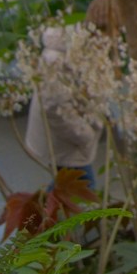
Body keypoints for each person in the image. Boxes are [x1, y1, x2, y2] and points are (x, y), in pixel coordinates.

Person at [24, 24, 103, 189]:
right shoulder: (57, 61)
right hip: (67, 143)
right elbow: (55, 109)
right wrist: (84, 135)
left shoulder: (73, 52)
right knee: (83, 190)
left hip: (67, 142)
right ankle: (35, 214)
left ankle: (38, 212)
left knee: (63, 190)